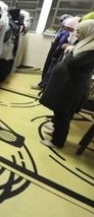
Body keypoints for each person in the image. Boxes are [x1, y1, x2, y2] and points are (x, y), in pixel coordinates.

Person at [40, 19, 94, 148]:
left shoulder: (91, 50)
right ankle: (56, 132)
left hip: (72, 87)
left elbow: (72, 62)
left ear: (88, 32)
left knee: (62, 113)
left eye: (79, 31)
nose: (76, 34)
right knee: (62, 112)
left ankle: (57, 141)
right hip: (69, 84)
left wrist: (69, 50)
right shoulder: (85, 44)